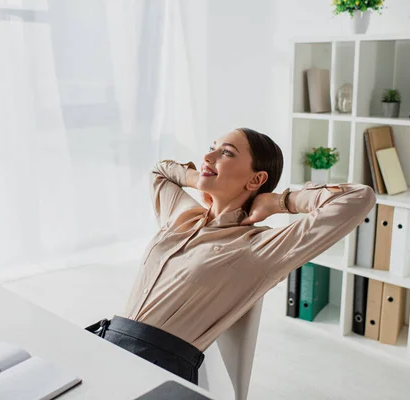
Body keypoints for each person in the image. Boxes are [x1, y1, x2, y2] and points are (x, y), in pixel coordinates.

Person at [85, 128, 376, 385]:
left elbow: (359, 198)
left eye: (225, 153)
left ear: (256, 179)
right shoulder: (182, 215)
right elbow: (160, 171)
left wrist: (278, 201)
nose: (208, 156)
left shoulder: (257, 248)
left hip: (158, 372)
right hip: (106, 344)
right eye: (212, 146)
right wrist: (199, 176)